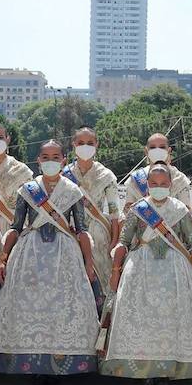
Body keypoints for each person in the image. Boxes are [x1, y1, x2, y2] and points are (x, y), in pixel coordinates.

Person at [0, 140, 100, 384]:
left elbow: (82, 230)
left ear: (63, 160)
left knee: (62, 308)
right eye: (45, 157)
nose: (50, 161)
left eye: (55, 157)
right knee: (30, 308)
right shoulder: (27, 190)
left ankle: (61, 365)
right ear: (38, 161)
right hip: (30, 254)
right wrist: (4, 258)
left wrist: (89, 262)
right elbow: (15, 227)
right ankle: (34, 367)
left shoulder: (73, 191)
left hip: (65, 254)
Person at [100, 163, 192, 385]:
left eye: (163, 184)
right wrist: (115, 271)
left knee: (172, 319)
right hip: (140, 268)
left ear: (170, 185)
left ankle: (168, 370)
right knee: (141, 317)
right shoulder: (138, 209)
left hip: (175, 270)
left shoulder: (180, 209)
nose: (158, 187)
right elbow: (123, 241)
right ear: (148, 185)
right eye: (154, 184)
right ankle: (143, 369)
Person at [62, 126, 120, 301]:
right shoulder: (64, 174)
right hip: (72, 233)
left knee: (100, 284)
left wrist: (115, 241)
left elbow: (114, 213)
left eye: (89, 143)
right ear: (73, 145)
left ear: (97, 145)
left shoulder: (106, 176)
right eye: (80, 143)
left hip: (100, 235)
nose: (85, 146)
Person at [122, 133, 192, 209]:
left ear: (169, 151)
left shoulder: (179, 179)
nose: (157, 150)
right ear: (146, 151)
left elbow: (187, 213)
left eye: (162, 147)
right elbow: (127, 213)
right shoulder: (135, 180)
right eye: (152, 147)